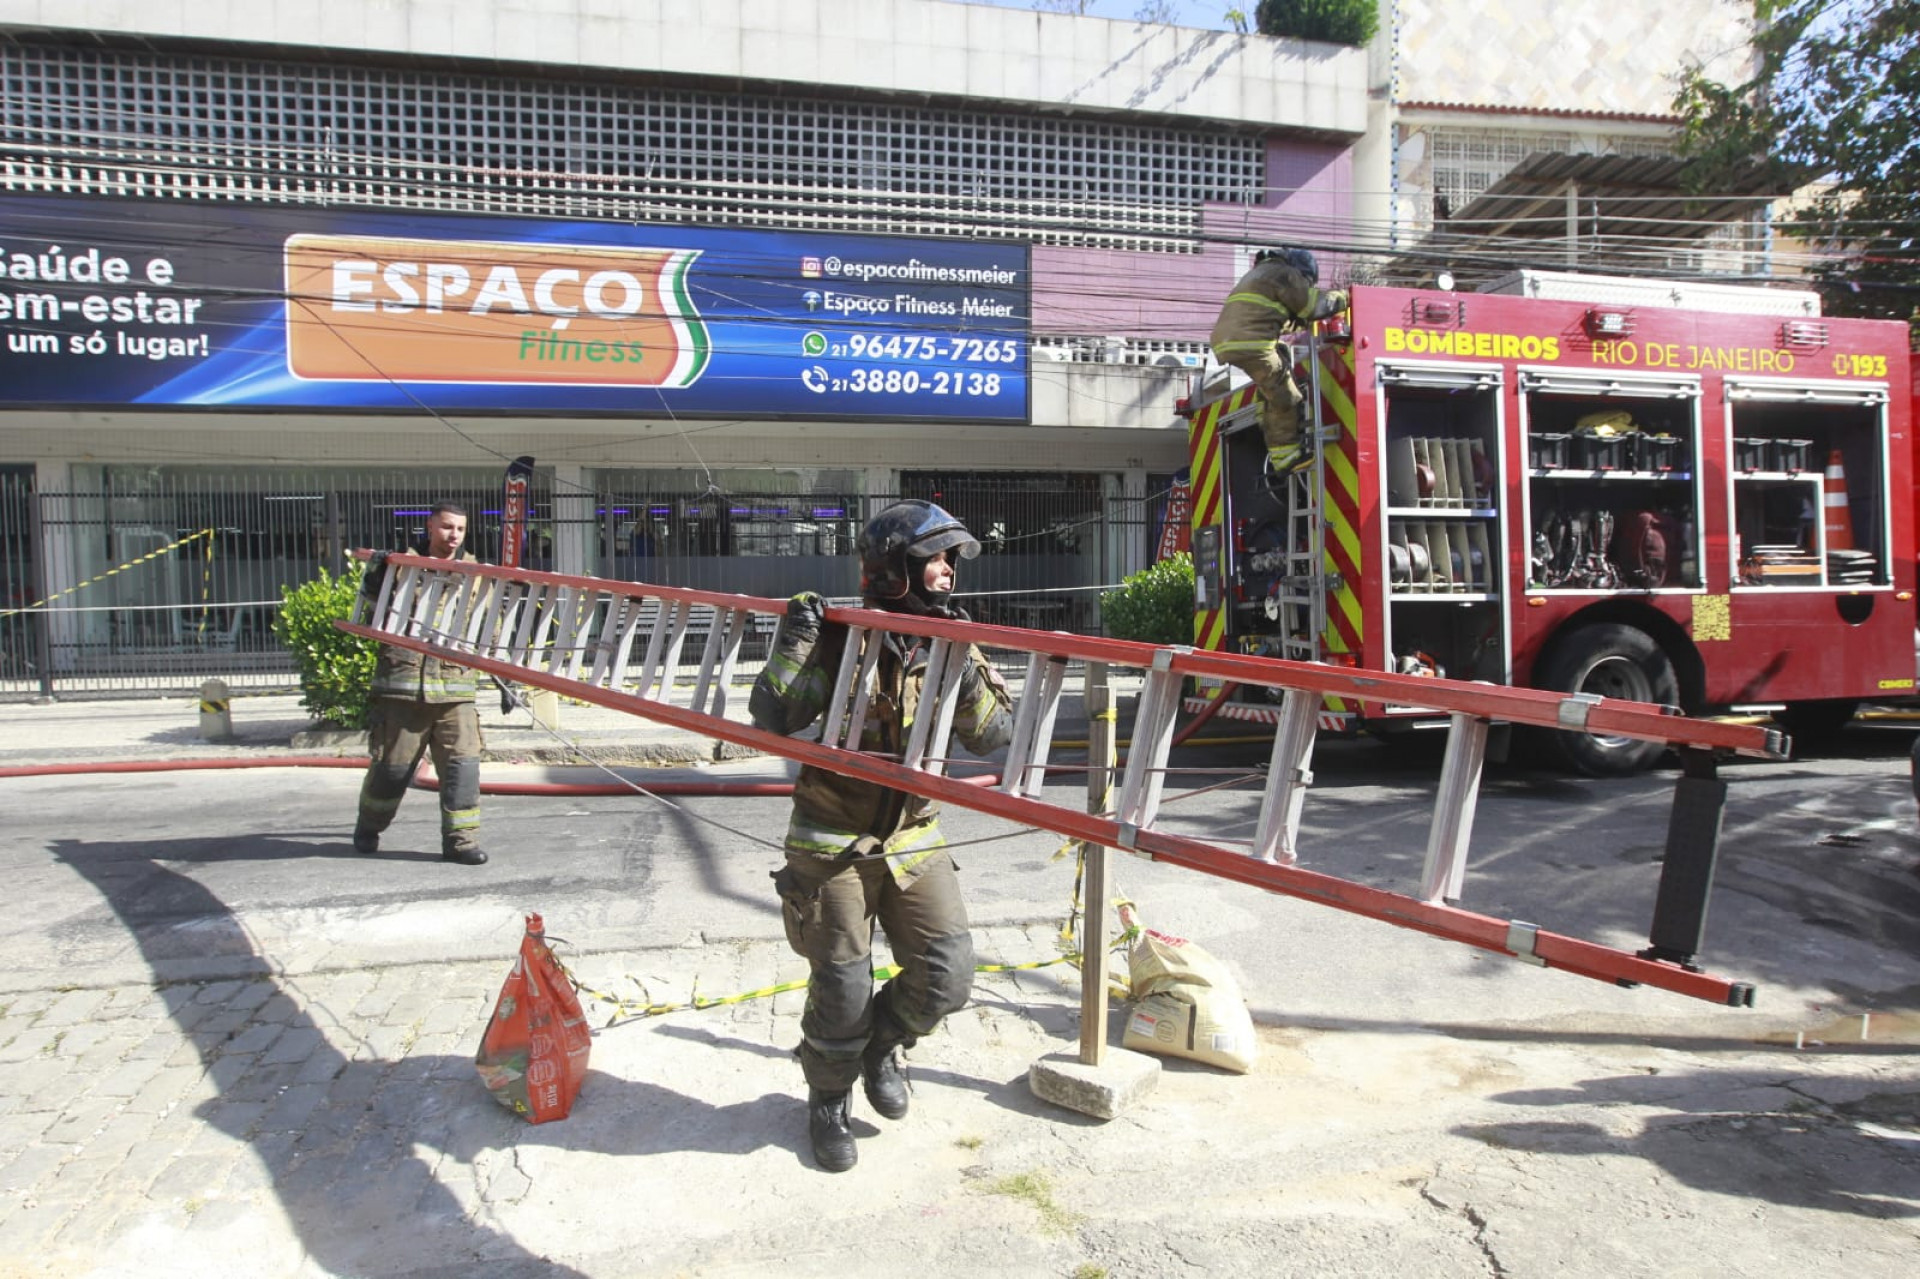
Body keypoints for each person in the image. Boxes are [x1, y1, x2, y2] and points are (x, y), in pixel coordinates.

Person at [749, 499, 1014, 1172]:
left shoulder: (950, 639)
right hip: (831, 838)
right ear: (894, 568)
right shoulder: (842, 633)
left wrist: (965, 656)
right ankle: (828, 1097)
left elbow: (991, 736)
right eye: (936, 559)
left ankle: (881, 1043)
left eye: (952, 559)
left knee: (948, 975)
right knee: (840, 985)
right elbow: (774, 713)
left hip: (913, 836)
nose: (950, 570)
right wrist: (796, 639)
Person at [352, 501, 489, 866]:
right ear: (430, 527)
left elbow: (491, 629)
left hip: (455, 692)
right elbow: (372, 615)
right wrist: (375, 579)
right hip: (403, 689)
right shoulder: (400, 570)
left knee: (463, 770)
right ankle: (369, 826)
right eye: (446, 527)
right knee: (391, 772)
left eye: (460, 529)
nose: (454, 535)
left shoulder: (476, 576)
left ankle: (461, 842)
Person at [1208, 246, 1350, 474]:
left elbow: (1273, 317)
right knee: (1287, 396)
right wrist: (1345, 297)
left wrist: (1301, 322)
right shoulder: (1285, 274)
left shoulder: (1261, 274)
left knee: (1280, 357)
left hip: (1229, 342)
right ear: (1301, 272)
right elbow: (1313, 305)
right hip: (1251, 344)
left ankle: (1264, 409)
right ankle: (1285, 458)